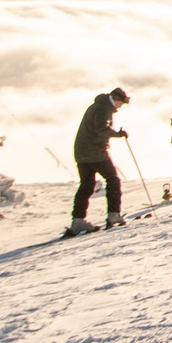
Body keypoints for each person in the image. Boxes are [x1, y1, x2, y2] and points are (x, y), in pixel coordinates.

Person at [68, 87, 130, 235]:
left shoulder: (98, 105)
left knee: (87, 185)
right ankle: (113, 214)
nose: (120, 107)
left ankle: (77, 220)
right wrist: (118, 134)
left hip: (81, 152)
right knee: (113, 180)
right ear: (115, 99)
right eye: (121, 103)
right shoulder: (104, 108)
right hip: (96, 152)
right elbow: (101, 129)